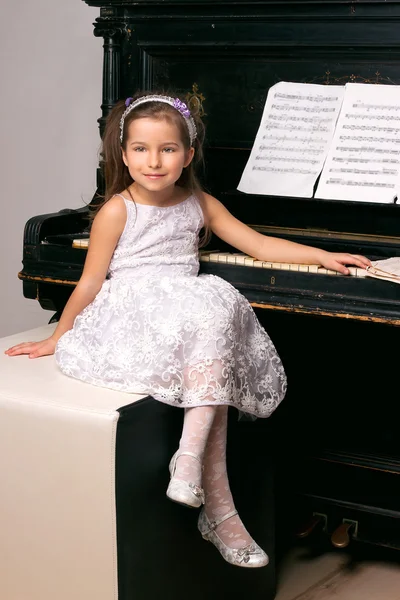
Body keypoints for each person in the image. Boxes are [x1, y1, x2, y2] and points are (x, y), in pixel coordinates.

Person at [5, 92, 371, 568]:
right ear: (123, 154)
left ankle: (191, 463)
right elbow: (91, 279)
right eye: (140, 149)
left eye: (167, 149)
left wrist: (322, 256)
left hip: (186, 304)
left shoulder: (198, 202)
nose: (153, 161)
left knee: (213, 310)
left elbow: (257, 243)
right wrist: (59, 336)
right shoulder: (119, 209)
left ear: (188, 155)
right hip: (134, 313)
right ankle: (216, 505)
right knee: (207, 317)